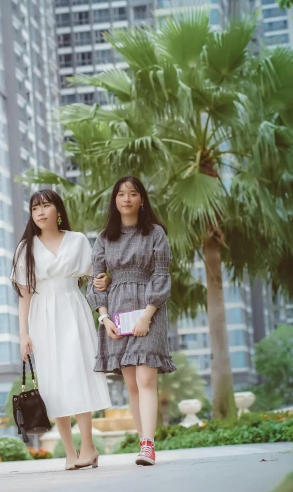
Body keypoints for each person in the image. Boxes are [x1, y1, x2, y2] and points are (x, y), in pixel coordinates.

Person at [11, 189, 112, 471]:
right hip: (42, 316)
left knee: (78, 374)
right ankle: (69, 452)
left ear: (58, 210)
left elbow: (96, 277)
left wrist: (103, 282)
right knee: (54, 383)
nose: (41, 212)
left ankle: (89, 447)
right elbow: (24, 295)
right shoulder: (25, 249)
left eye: (46, 206)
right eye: (35, 209)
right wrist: (23, 333)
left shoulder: (78, 240)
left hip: (73, 310)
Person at [87, 176, 176, 466]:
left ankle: (149, 445)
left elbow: (161, 276)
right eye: (121, 194)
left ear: (141, 200)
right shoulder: (104, 238)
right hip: (117, 312)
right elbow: (95, 282)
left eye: (133, 193)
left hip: (150, 307)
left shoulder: (155, 234)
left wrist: (147, 316)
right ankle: (142, 443)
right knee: (132, 385)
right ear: (115, 200)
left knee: (146, 378)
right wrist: (104, 319)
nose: (126, 198)